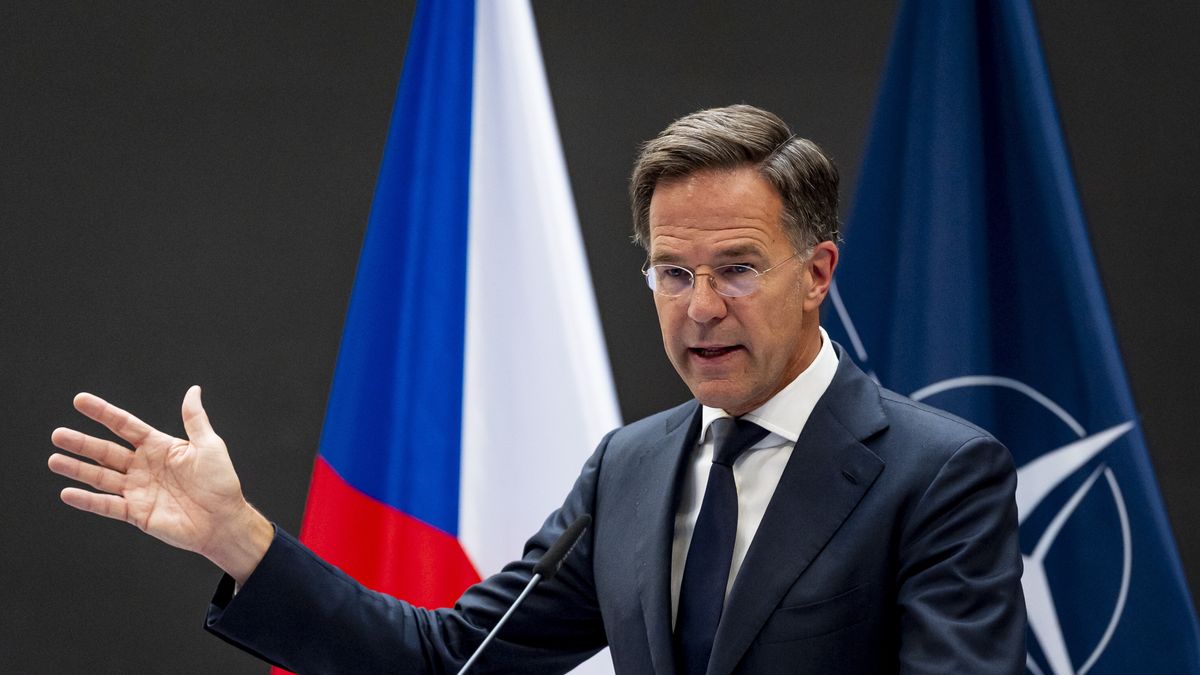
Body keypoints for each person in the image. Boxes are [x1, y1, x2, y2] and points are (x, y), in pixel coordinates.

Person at [48, 104, 1025, 674]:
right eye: (672, 274)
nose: (698, 309)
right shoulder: (632, 466)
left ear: (816, 274)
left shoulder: (937, 474)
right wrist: (240, 540)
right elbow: (448, 662)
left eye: (736, 269)